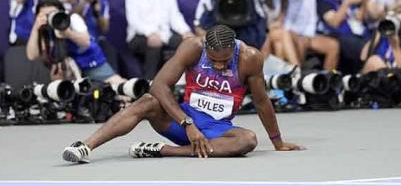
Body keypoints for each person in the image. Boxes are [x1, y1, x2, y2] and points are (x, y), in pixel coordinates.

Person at [62, 25, 305, 163]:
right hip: (181, 121)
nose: (220, 67)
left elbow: (262, 102)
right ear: (206, 49)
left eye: (225, 61)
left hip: (215, 132)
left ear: (234, 50)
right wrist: (186, 123)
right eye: (214, 61)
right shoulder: (192, 47)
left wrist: (278, 142)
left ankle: (160, 150)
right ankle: (84, 146)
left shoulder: (250, 58)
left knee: (247, 140)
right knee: (147, 101)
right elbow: (158, 85)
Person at [26, 0, 124, 86]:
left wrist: (67, 33)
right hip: (68, 71)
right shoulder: (44, 30)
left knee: (119, 87)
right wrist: (36, 27)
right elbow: (32, 55)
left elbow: (86, 42)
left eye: (53, 13)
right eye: (46, 15)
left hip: (92, 63)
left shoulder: (73, 19)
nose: (51, 18)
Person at [125, 0, 194, 80]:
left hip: (165, 34)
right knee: (154, 45)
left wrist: (185, 31)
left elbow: (175, 16)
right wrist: (150, 33)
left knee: (189, 44)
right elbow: (134, 20)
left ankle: (182, 85)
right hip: (139, 36)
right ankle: (149, 86)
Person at [284, 0, 339, 70]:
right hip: (289, 33)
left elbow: (312, 20)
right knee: (300, 41)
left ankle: (326, 79)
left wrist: (307, 36)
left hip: (307, 35)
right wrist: (297, 34)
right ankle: (297, 78)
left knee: (333, 45)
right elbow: (285, 19)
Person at [317, 0, 369, 74]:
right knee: (364, 48)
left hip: (358, 34)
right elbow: (334, 22)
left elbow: (359, 19)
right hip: (338, 36)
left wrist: (364, 3)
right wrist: (346, 3)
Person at [257, 0, 299, 65]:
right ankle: (297, 68)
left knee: (279, 43)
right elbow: (257, 15)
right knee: (283, 34)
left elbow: (281, 19)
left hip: (274, 30)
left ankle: (280, 77)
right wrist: (268, 28)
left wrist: (274, 26)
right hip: (260, 30)